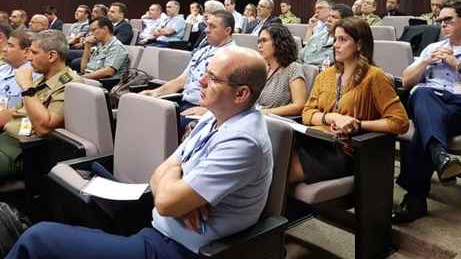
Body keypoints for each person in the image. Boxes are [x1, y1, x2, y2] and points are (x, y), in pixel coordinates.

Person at [6, 47, 273, 259]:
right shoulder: (214, 115)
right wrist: (178, 187)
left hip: (180, 250)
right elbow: (163, 170)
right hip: (157, 228)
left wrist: (174, 191)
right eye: (205, 72)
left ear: (241, 94)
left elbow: (167, 200)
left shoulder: (244, 140)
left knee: (37, 239)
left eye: (213, 78)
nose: (200, 80)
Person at [394, 0, 461, 223]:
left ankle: (415, 198)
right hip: (428, 101)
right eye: (440, 20)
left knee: (424, 125)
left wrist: (456, 64)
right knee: (422, 93)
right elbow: (405, 82)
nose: (443, 24)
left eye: (448, 20)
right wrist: (425, 63)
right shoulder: (432, 48)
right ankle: (439, 155)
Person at [289, 16, 408, 185]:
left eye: (343, 40)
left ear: (359, 44)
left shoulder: (375, 77)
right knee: (275, 154)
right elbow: (307, 113)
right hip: (318, 140)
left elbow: (400, 122)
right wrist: (331, 117)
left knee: (281, 170)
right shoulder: (325, 75)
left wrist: (358, 124)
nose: (336, 45)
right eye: (335, 39)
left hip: (349, 150)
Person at [0, 30, 80, 179]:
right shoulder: (42, 79)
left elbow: (44, 128)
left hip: (22, 151)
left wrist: (26, 86)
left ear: (52, 56)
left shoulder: (70, 85)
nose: (28, 57)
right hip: (6, 138)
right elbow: (16, 112)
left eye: (34, 53)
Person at [141, 11, 236, 133]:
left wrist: (210, 111)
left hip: (206, 109)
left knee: (161, 128)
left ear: (227, 31)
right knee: (147, 115)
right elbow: (182, 80)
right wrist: (154, 92)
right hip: (184, 102)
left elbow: (231, 94)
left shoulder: (233, 56)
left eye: (212, 26)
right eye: (207, 25)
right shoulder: (204, 50)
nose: (206, 30)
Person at [256, 24, 307, 116]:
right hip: (257, 117)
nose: (259, 46)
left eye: (264, 41)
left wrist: (264, 113)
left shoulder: (293, 68)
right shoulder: (262, 67)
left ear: (278, 42)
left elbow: (299, 105)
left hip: (275, 123)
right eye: (258, 41)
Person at [0, 30, 39, 109]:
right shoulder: (3, 68)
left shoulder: (34, 76)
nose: (4, 49)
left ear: (26, 52)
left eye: (10, 46)